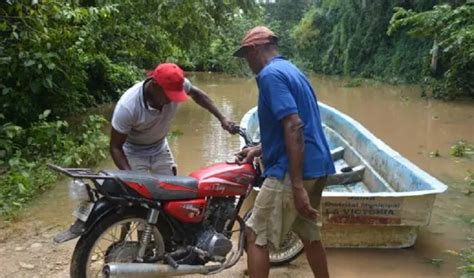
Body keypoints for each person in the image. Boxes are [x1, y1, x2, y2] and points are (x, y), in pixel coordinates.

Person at [234, 26, 335, 278]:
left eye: (246, 56)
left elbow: (294, 125)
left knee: (254, 234)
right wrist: (259, 149)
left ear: (255, 50)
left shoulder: (270, 75)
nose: (247, 63)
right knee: (309, 232)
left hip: (291, 172)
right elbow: (295, 125)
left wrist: (297, 185)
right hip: (318, 165)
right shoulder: (292, 71)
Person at [110, 63, 236, 175]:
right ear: (155, 86)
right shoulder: (128, 107)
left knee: (171, 189)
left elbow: (198, 95)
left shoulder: (178, 84)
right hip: (134, 151)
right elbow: (115, 147)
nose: (172, 100)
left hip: (160, 147)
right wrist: (130, 175)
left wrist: (222, 118)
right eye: (169, 95)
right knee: (140, 193)